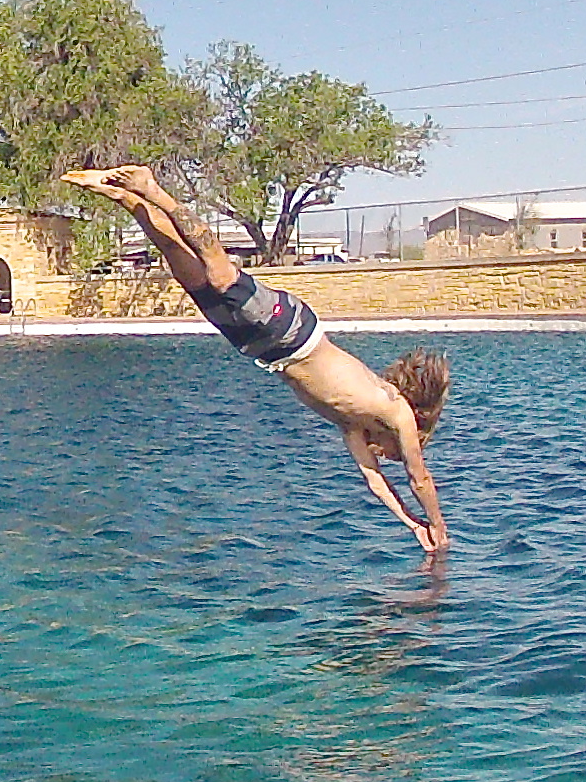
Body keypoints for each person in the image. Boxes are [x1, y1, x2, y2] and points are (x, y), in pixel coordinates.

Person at [61, 165, 451, 554]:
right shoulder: (396, 410)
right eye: (394, 453)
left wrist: (412, 525)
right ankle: (154, 189)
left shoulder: (351, 425)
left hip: (260, 347)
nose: (387, 456)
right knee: (217, 269)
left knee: (179, 261)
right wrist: (439, 527)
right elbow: (420, 480)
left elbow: (375, 481)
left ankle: (125, 196)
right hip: (291, 330)